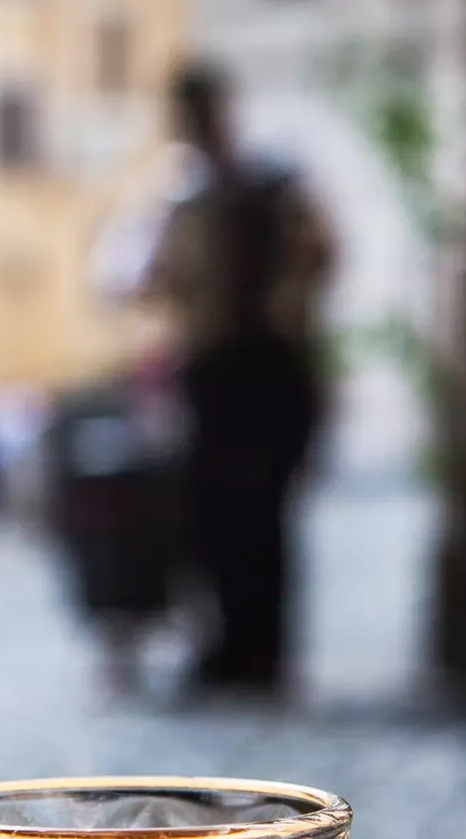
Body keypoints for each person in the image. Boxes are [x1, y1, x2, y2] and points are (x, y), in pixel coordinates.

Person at [145, 60, 334, 697]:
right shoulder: (189, 195)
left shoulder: (273, 184)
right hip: (218, 371)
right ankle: (231, 646)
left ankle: (263, 652)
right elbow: (163, 276)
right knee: (214, 517)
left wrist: (286, 302)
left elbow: (321, 253)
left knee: (262, 515)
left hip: (267, 368)